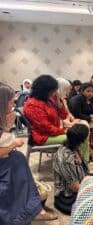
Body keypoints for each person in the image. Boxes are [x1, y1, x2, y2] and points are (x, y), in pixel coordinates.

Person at [0, 82, 57, 224]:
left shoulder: (53, 102)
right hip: (37, 138)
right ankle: (33, 210)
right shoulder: (33, 104)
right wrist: (12, 141)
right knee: (17, 161)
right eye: (11, 100)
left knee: (18, 159)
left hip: (9, 157)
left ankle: (35, 209)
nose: (14, 103)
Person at [23, 75, 90, 161]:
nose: (55, 92)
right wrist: (65, 130)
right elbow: (46, 128)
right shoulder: (32, 105)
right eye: (53, 91)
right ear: (44, 90)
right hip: (43, 137)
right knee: (81, 136)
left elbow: (63, 115)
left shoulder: (48, 100)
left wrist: (58, 101)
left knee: (82, 130)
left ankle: (80, 161)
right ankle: (83, 163)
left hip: (54, 131)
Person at [53, 124, 89, 215]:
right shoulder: (67, 158)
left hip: (79, 187)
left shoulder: (74, 147)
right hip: (67, 197)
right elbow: (74, 186)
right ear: (82, 140)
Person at [69, 82, 93, 152]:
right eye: (88, 91)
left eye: (92, 91)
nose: (90, 93)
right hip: (76, 119)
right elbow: (76, 114)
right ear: (82, 91)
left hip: (87, 117)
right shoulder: (77, 99)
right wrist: (90, 119)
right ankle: (92, 144)